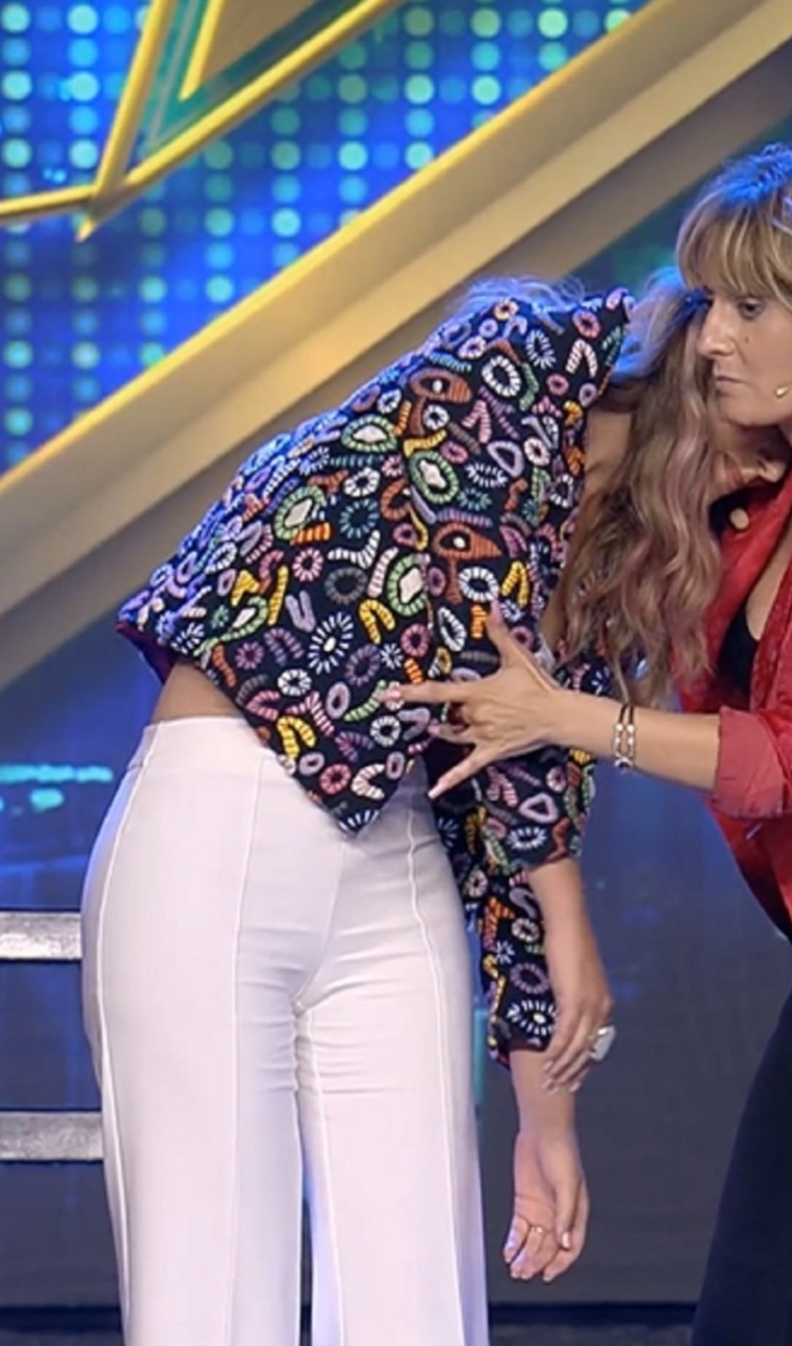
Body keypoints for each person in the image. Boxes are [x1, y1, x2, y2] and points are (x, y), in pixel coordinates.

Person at [80, 280, 639, 1346]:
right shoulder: (521, 355)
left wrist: (547, 1114)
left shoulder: (624, 550)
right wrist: (567, 901)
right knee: (210, 1303)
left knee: (421, 1307)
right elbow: (483, 612)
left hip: (397, 856)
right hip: (221, 816)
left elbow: (520, 786)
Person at [392, 143, 792, 1346]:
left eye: (752, 307)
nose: (713, 338)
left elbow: (779, 761)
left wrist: (574, 721)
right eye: (708, 302)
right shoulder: (734, 497)